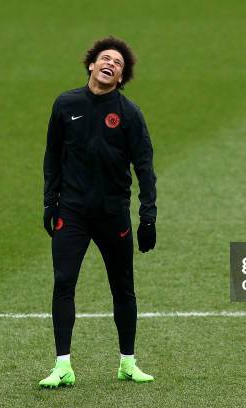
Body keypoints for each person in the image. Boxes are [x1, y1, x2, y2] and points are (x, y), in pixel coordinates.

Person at [39, 36, 157, 388]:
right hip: (71, 212)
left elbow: (145, 167)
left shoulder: (129, 114)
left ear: (120, 77)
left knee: (122, 288)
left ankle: (128, 363)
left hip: (112, 214)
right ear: (91, 65)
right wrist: (50, 202)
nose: (110, 64)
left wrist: (147, 217)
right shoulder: (66, 104)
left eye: (118, 64)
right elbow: (52, 156)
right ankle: (62, 365)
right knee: (63, 283)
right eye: (105, 59)